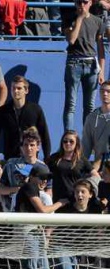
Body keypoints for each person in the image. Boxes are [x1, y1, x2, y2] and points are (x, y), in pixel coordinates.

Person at [64, 0, 104, 135]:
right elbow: (71, 39)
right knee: (71, 105)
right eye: (79, 2)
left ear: (91, 3)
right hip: (73, 63)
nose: (82, 5)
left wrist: (102, 70)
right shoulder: (69, 18)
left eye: (85, 2)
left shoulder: (97, 21)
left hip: (91, 64)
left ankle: (88, 140)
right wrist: (79, 19)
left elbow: (100, 47)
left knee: (90, 106)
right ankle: (69, 140)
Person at [0, 75, 51, 159]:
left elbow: (44, 135)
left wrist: (47, 158)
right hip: (11, 158)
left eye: (19, 88)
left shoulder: (35, 109)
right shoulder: (3, 111)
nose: (15, 91)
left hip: (30, 159)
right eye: (13, 88)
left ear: (26, 90)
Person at [82, 81, 110, 164]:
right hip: (100, 165)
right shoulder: (91, 118)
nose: (105, 94)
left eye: (108, 91)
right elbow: (86, 147)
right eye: (102, 91)